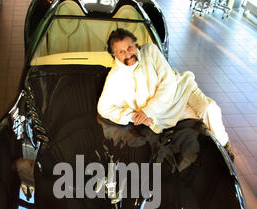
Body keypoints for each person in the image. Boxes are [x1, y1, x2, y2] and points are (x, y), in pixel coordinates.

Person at [97, 28, 234, 160]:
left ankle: (224, 148)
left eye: (129, 48)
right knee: (197, 134)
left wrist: (147, 110)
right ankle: (212, 155)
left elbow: (168, 82)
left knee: (210, 109)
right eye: (121, 51)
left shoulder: (150, 50)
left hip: (181, 91)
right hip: (160, 116)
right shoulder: (115, 77)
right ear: (114, 55)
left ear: (135, 45)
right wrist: (132, 116)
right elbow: (103, 108)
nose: (128, 53)